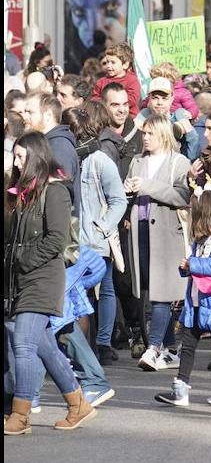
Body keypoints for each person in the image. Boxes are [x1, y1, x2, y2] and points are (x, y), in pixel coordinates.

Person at [3, 133, 98, 435]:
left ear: (36, 157)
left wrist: (22, 260)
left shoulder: (55, 192)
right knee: (46, 348)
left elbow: (56, 240)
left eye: (21, 157)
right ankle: (78, 405)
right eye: (15, 157)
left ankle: (20, 415)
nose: (17, 164)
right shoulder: (22, 193)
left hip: (43, 278)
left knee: (24, 344)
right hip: (22, 279)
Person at [154, 191, 211, 407]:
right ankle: (181, 388)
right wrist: (187, 268)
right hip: (196, 301)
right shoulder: (201, 240)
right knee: (187, 345)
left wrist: (193, 265)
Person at [124, 115, 192, 369]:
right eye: (144, 133)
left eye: (150, 133)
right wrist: (128, 188)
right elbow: (131, 193)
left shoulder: (179, 162)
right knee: (150, 289)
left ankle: (153, 348)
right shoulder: (137, 161)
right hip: (141, 230)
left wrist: (148, 186)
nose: (145, 137)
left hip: (166, 233)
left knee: (162, 294)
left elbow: (183, 195)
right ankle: (171, 349)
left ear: (163, 134)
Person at [64, 106, 128, 364]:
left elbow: (118, 200)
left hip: (94, 242)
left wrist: (102, 227)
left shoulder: (100, 160)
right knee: (80, 299)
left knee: (94, 294)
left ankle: (94, 350)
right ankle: (84, 355)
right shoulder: (69, 158)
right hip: (72, 240)